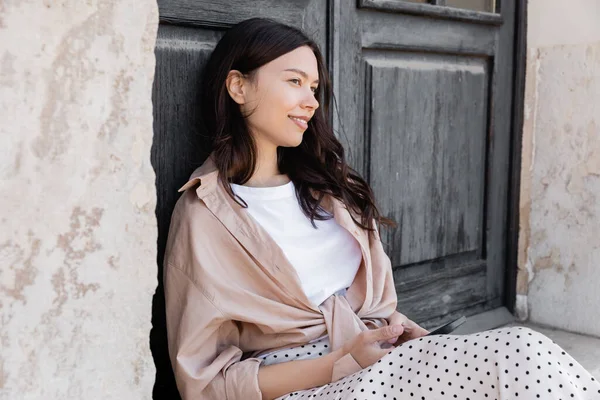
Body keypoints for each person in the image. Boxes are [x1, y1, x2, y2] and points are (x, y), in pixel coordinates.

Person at [162, 17, 600, 400]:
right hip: (307, 385)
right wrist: (341, 361)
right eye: (294, 81)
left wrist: (414, 340)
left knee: (526, 357)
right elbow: (206, 384)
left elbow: (380, 311)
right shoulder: (204, 214)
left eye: (314, 87)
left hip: (380, 363)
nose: (312, 101)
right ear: (239, 86)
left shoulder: (330, 190)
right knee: (517, 356)